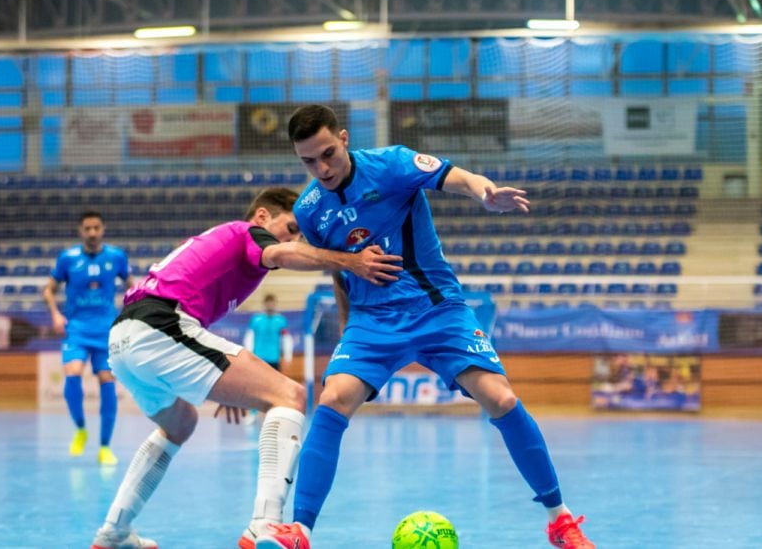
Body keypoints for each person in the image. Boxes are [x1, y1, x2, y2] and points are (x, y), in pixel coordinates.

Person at [255, 105, 595, 549]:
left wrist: (482, 193)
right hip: (372, 320)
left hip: (435, 307)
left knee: (501, 398)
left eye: (328, 154)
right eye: (308, 161)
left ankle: (559, 520)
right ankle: (300, 531)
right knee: (333, 399)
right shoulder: (310, 209)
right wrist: (348, 329)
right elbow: (339, 274)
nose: (321, 168)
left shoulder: (391, 164)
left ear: (342, 137)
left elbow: (454, 176)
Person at [89, 187, 403, 549]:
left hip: (125, 338)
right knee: (290, 395)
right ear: (263, 217)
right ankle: (266, 525)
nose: (294, 239)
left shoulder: (224, 246)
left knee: (180, 423)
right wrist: (348, 260)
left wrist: (231, 385)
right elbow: (282, 252)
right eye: (290, 228)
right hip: (160, 325)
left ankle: (114, 531)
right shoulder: (248, 232)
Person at [43, 210, 135, 466]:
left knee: (107, 380)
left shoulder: (116, 256)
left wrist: (130, 313)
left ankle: (105, 446)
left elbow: (132, 286)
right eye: (87, 228)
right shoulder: (68, 258)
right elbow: (48, 290)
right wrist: (55, 315)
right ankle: (81, 428)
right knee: (72, 373)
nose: (92, 232)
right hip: (77, 329)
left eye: (96, 227)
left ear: (103, 229)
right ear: (81, 231)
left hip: (106, 329)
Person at [245, 294, 290, 372]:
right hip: (258, 358)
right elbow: (249, 338)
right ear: (264, 304)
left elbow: (286, 339)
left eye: (272, 304)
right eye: (268, 303)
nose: (270, 306)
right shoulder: (256, 320)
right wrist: (249, 354)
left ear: (275, 304)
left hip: (274, 358)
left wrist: (288, 356)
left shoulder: (280, 320)